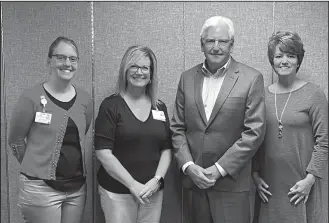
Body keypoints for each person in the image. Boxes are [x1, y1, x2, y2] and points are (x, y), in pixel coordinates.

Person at [171, 15, 266, 223]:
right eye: (210, 41)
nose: (216, 47)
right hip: (194, 185)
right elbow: (177, 128)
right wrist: (188, 166)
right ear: (201, 44)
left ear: (232, 45)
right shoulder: (186, 78)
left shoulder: (251, 79)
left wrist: (218, 169)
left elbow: (254, 132)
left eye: (222, 41)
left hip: (231, 185)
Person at [8, 36, 93, 223]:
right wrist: (35, 165)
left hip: (76, 189)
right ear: (49, 61)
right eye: (61, 57)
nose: (67, 63)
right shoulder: (31, 98)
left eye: (73, 59)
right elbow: (15, 140)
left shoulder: (85, 100)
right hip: (40, 189)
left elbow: (81, 134)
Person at [252, 31, 328, 223]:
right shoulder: (261, 95)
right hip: (269, 189)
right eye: (279, 56)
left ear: (298, 60)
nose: (284, 61)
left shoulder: (314, 94)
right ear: (272, 60)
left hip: (302, 187)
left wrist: (310, 180)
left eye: (290, 56)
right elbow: (253, 139)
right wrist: (254, 175)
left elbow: (324, 142)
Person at [94, 45, 172, 223]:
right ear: (125, 70)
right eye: (134, 66)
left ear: (151, 74)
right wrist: (132, 185)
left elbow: (167, 149)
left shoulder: (159, 107)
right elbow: (103, 153)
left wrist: (157, 180)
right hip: (118, 193)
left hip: (152, 192)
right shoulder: (111, 106)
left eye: (145, 67)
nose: (139, 72)